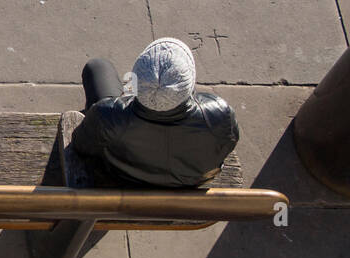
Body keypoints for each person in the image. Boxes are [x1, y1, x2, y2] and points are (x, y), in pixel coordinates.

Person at [72, 37, 239, 188]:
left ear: (138, 80)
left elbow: (81, 145)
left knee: (98, 67)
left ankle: (128, 95)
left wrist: (110, 113)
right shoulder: (220, 115)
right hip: (188, 185)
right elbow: (226, 145)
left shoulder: (107, 116)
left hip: (124, 180)